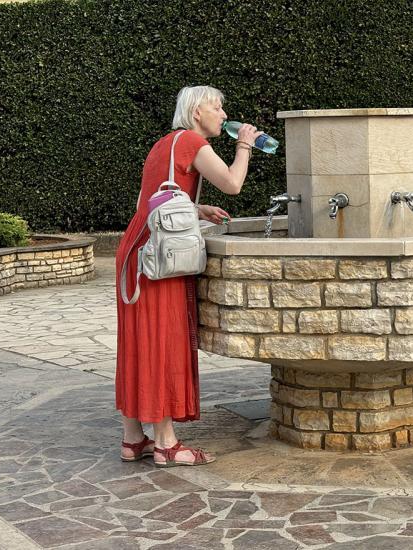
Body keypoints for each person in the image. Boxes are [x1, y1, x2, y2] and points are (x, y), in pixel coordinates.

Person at [115, 86, 261, 467]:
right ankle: (166, 443)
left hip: (136, 249)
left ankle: (133, 438)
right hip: (163, 257)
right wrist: (244, 144)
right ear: (197, 111)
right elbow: (233, 183)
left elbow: (146, 202)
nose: (224, 114)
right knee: (163, 340)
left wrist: (196, 210)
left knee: (138, 340)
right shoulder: (194, 141)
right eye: (218, 107)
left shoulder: (164, 143)